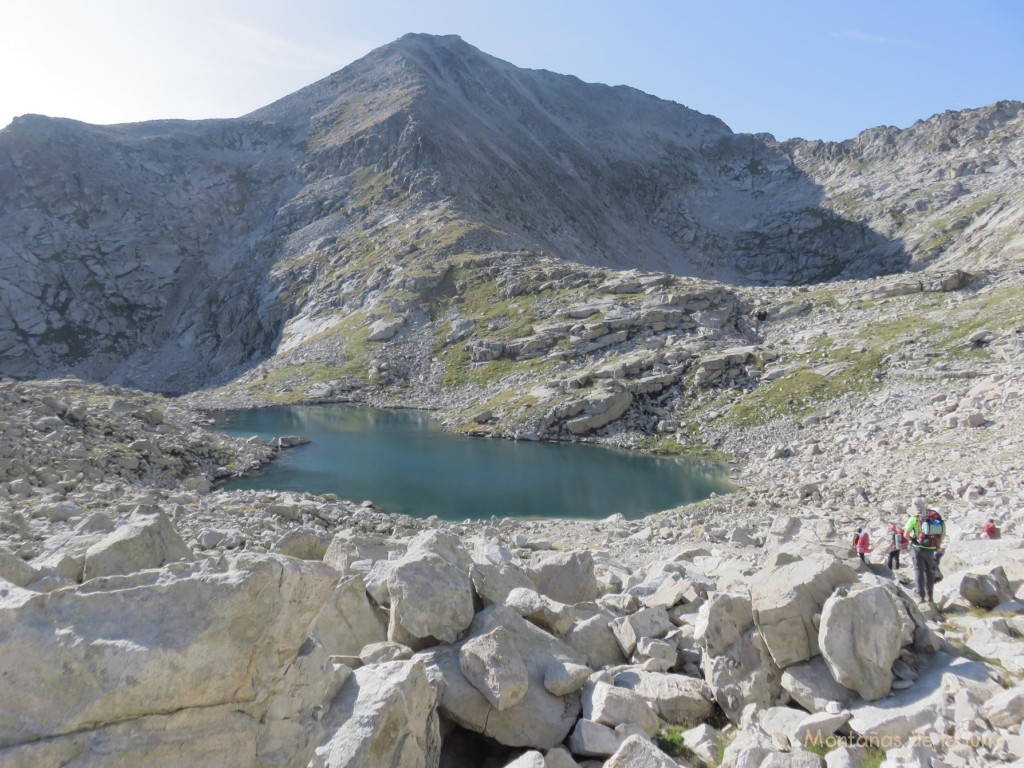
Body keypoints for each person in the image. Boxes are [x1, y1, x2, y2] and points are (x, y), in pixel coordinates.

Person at [906, 507, 944, 603]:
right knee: (929, 572)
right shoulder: (939, 521)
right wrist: (935, 544)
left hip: (917, 549)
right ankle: (930, 597)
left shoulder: (915, 519)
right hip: (931, 549)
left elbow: (905, 534)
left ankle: (921, 597)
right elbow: (942, 535)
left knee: (919, 572)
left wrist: (914, 540)